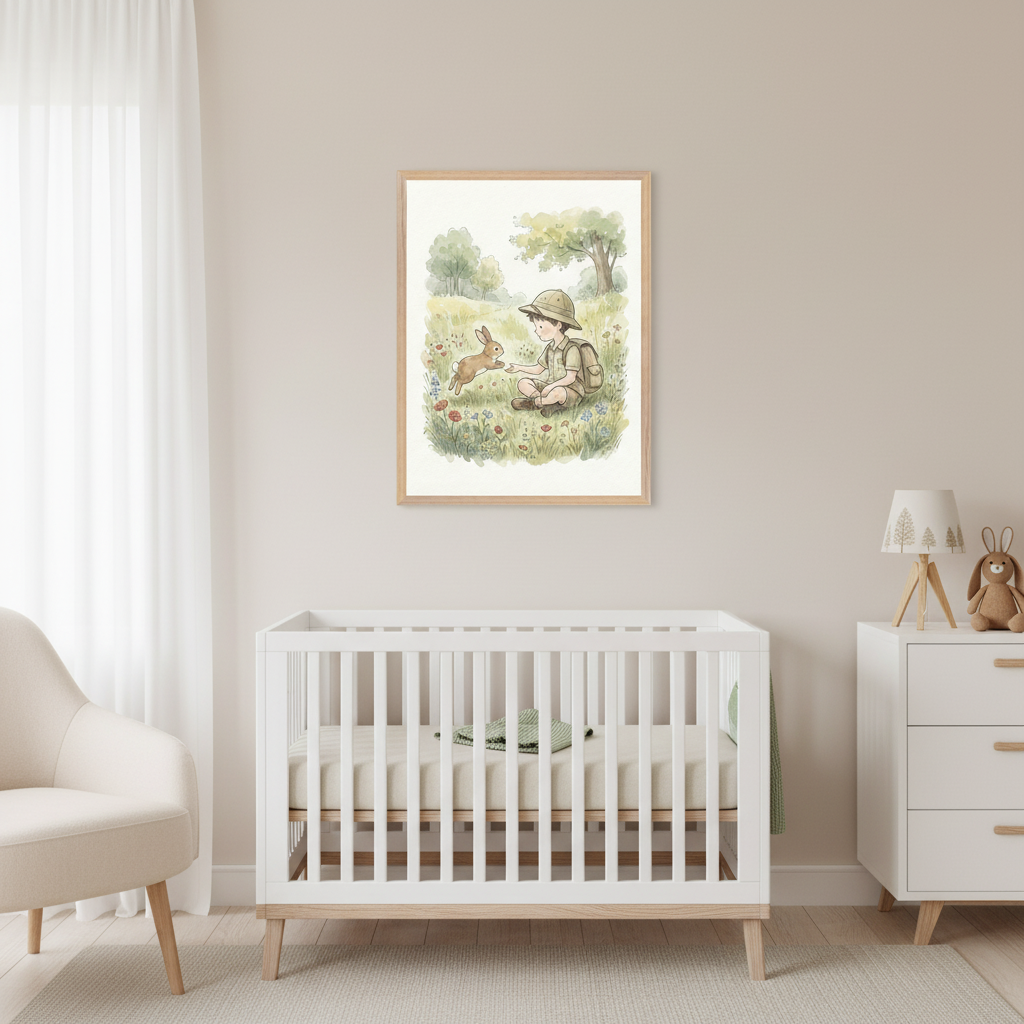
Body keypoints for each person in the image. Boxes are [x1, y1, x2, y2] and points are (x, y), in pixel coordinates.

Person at [503, 290, 586, 415]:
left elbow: (570, 378)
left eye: (540, 327)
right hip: (550, 386)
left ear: (558, 325)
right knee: (523, 383)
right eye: (536, 327)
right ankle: (544, 402)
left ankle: (537, 403)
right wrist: (518, 367)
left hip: (569, 391)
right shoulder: (550, 348)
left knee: (557, 392)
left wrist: (550, 387)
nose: (537, 331)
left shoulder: (571, 349)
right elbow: (538, 369)